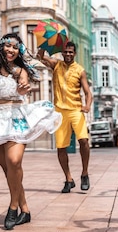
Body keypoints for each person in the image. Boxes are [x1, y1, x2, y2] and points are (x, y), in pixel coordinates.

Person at [0, 33, 61, 230]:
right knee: (9, 171)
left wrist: (23, 88)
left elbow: (24, 85)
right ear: (1, 48)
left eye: (15, 47)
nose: (11, 50)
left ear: (18, 51)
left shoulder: (19, 70)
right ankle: (25, 209)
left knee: (14, 162)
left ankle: (13, 207)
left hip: (15, 117)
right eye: (7, 46)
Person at [37, 41, 93, 193]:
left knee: (84, 141)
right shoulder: (56, 65)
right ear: (62, 53)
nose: (68, 54)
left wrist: (87, 106)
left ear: (74, 53)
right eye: (66, 52)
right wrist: (45, 44)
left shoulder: (80, 70)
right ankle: (68, 179)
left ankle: (85, 173)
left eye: (71, 52)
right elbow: (39, 57)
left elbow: (88, 93)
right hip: (59, 112)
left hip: (75, 110)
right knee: (61, 148)